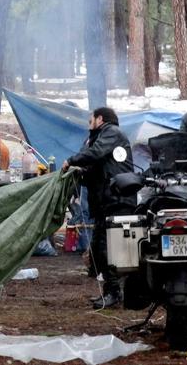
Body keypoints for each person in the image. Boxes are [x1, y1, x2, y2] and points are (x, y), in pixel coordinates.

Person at [62, 107, 136, 309]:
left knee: (105, 248)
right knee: (97, 249)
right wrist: (80, 174)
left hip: (117, 200)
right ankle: (111, 290)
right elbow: (96, 170)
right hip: (107, 201)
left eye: (90, 120)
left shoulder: (111, 133)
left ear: (100, 119)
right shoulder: (102, 136)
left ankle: (114, 293)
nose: (89, 124)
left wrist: (72, 160)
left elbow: (94, 154)